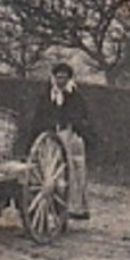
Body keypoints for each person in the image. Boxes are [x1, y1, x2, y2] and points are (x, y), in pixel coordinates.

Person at [28, 62, 96, 219]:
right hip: (51, 138)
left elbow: (81, 117)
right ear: (53, 78)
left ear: (69, 78)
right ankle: (54, 207)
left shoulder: (75, 96)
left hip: (70, 136)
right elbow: (39, 117)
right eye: (58, 77)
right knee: (49, 172)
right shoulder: (47, 96)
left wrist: (73, 124)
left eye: (64, 78)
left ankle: (74, 206)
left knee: (73, 170)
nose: (61, 81)